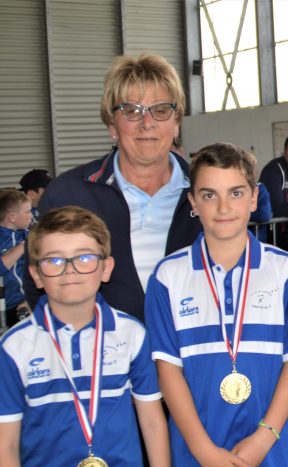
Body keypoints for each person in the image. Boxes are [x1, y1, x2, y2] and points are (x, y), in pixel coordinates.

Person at [145, 142, 288, 467]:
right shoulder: (168, 277)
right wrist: (204, 451)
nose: (223, 207)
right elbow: (167, 371)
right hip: (199, 450)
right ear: (193, 202)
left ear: (254, 198)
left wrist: (263, 439)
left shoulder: (285, 270)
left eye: (235, 193)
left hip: (270, 447)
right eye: (209, 195)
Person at [0, 206, 172, 467]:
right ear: (36, 274)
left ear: (106, 268)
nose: (70, 270)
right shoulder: (14, 347)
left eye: (84, 258)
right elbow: (5, 444)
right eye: (54, 260)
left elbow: (152, 422)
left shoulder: (131, 334)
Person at [24, 53, 201, 322]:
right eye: (131, 111)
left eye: (161, 109)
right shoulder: (66, 195)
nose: (147, 123)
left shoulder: (207, 193)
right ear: (112, 124)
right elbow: (37, 285)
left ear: (176, 123)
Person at [0, 189, 33, 325]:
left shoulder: (30, 234)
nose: (31, 215)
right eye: (28, 212)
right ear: (12, 217)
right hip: (4, 308)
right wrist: (21, 247)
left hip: (25, 304)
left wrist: (32, 298)